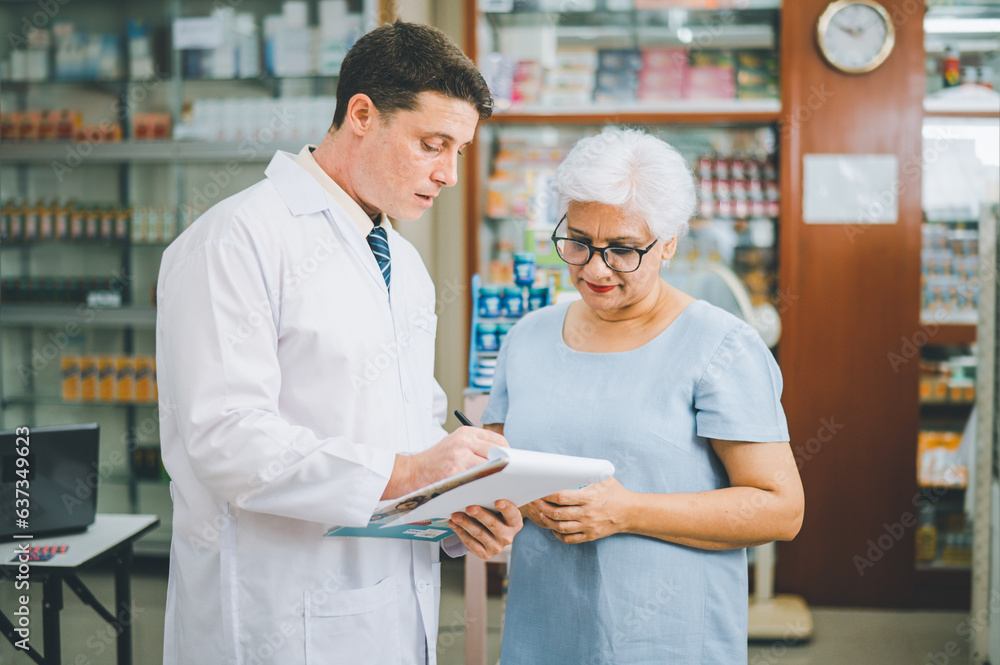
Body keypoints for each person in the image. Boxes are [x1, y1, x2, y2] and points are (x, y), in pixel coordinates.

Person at [156, 21, 522, 665]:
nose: (449, 175)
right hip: (278, 610)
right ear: (361, 114)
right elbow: (225, 439)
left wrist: (457, 500)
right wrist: (408, 473)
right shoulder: (237, 238)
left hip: (391, 601)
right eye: (434, 144)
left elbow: (409, 426)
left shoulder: (401, 263)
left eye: (459, 152)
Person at [482, 127, 804, 664]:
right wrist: (508, 496)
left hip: (668, 637)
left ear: (671, 242)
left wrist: (626, 511)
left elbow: (780, 509)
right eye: (578, 241)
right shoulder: (528, 338)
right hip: (544, 631)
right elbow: (495, 463)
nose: (594, 268)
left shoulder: (720, 346)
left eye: (625, 250)